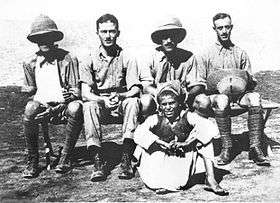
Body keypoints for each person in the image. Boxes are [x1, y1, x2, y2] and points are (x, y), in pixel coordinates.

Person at [197, 13, 269, 166]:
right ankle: (227, 146)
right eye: (220, 28)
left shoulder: (240, 52)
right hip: (216, 98)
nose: (224, 31)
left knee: (255, 97)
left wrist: (245, 82)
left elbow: (250, 80)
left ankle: (255, 147)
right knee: (222, 99)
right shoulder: (206, 54)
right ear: (214, 29)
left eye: (227, 27)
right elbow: (201, 82)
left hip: (238, 96)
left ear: (231, 28)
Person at [134, 81, 228, 195]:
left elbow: (211, 128)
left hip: (183, 156)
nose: (168, 107)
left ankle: (210, 179)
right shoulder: (155, 118)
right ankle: (163, 181)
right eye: (164, 104)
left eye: (172, 103)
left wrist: (187, 142)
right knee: (154, 182)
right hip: (160, 155)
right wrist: (160, 142)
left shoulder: (187, 116)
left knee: (205, 139)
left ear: (178, 103)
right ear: (160, 106)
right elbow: (139, 133)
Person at [80, 14, 141, 181]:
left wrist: (122, 96)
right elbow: (85, 93)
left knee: (133, 102)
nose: (108, 36)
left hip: (120, 101)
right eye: (104, 31)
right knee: (89, 105)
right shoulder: (89, 58)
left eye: (112, 31)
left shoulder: (128, 57)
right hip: (101, 103)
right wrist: (102, 100)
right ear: (97, 33)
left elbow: (135, 88)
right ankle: (98, 160)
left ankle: (126, 157)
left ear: (118, 33)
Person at [22, 14, 83, 178]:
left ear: (54, 38)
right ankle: (33, 160)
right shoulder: (30, 63)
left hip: (63, 107)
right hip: (43, 107)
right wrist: (37, 102)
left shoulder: (67, 59)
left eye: (47, 37)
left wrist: (65, 99)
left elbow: (76, 92)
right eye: (39, 38)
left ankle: (65, 157)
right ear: (35, 41)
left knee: (76, 108)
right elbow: (31, 92)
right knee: (29, 109)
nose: (43, 42)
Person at [139, 17, 206, 118]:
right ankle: (149, 129)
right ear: (159, 39)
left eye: (173, 37)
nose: (169, 41)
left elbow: (197, 84)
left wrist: (186, 95)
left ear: (178, 38)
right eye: (165, 37)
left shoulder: (188, 57)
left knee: (203, 101)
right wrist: (162, 95)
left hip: (183, 100)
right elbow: (146, 86)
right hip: (158, 101)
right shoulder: (150, 57)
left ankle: (197, 128)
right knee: (145, 101)